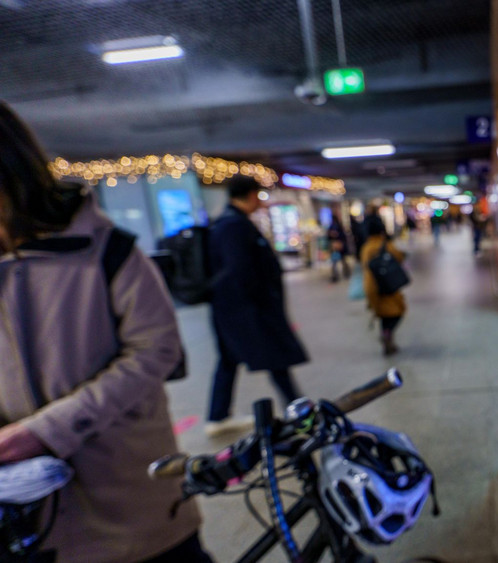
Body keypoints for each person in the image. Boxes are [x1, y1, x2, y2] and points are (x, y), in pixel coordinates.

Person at [0, 102, 210, 562]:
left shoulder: (104, 250)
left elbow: (156, 350)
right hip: (20, 521)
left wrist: (46, 430)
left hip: (127, 501)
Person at [205, 176, 307, 437]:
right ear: (251, 195)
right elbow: (240, 270)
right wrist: (261, 302)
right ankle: (300, 411)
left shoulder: (229, 223)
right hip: (247, 311)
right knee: (276, 359)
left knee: (229, 361)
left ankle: (217, 416)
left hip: (234, 309)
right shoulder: (233, 226)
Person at [359, 217, 407, 355]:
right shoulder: (385, 244)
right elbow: (398, 257)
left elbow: (364, 264)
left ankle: (387, 335)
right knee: (396, 312)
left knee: (382, 314)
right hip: (388, 283)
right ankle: (387, 334)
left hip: (372, 284)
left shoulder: (366, 247)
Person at [326, 212, 351, 282]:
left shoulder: (335, 226)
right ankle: (341, 274)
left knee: (338, 261)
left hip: (337, 246)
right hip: (338, 246)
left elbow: (329, 236)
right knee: (338, 261)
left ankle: (339, 275)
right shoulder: (337, 226)